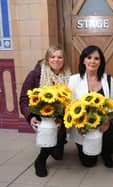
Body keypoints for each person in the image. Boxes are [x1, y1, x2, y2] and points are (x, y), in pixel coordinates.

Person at [19, 45, 71, 177]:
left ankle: (60, 140)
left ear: (64, 59)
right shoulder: (35, 74)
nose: (56, 60)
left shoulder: (69, 75)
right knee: (49, 141)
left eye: (60, 57)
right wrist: (30, 116)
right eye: (52, 57)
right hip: (43, 115)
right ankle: (40, 161)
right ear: (47, 59)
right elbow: (24, 99)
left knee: (58, 155)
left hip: (62, 115)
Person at [68, 45, 113, 168]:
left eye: (96, 58)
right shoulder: (74, 80)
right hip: (83, 127)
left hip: (103, 126)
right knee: (88, 163)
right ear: (83, 60)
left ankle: (106, 153)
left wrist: (106, 122)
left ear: (101, 62)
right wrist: (79, 125)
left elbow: (112, 106)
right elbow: (71, 106)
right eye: (89, 57)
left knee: (107, 148)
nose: (92, 61)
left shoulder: (108, 79)